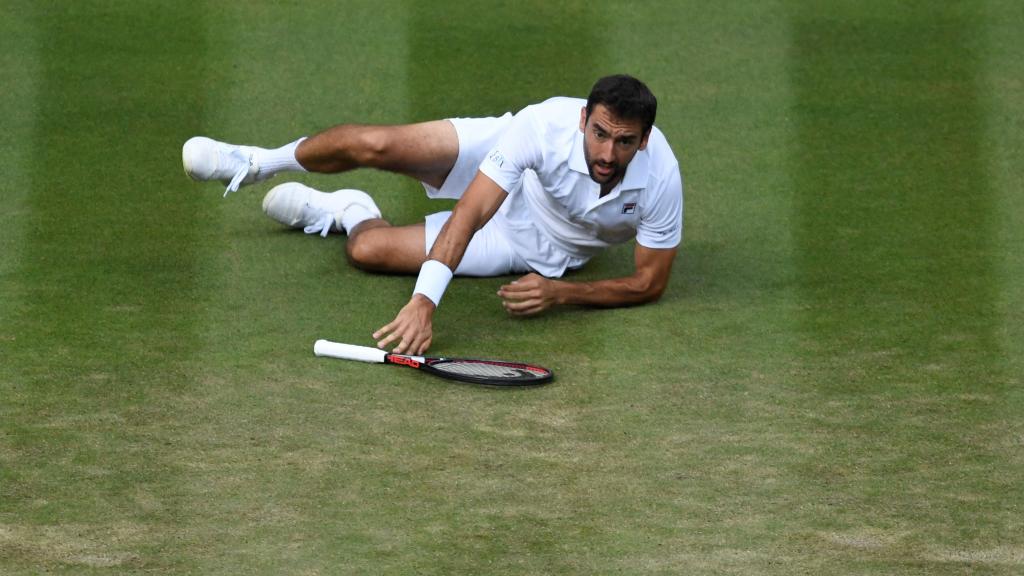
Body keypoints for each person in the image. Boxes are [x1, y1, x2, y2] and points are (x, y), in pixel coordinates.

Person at [182, 74, 683, 355]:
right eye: (599, 133)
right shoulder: (540, 127)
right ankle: (256, 163)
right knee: (373, 143)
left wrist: (562, 291)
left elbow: (648, 283)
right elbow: (470, 214)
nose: (608, 153)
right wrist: (424, 302)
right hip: (509, 166)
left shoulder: (661, 178)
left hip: (539, 246)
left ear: (645, 139)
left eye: (625, 142)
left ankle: (349, 209)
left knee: (366, 250)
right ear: (582, 120)